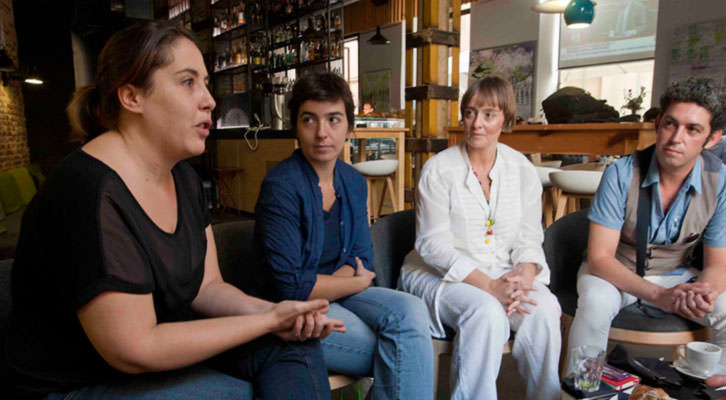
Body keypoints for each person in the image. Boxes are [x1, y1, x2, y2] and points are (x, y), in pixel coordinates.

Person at [3, 21, 344, 399]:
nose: (209, 100)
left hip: (161, 352)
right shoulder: (87, 191)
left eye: (206, 83)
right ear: (132, 97)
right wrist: (265, 321)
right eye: (187, 82)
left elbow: (207, 288)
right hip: (77, 384)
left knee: (293, 345)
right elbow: (136, 349)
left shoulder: (181, 176)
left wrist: (278, 315)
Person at [254, 72, 434, 400]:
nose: (322, 133)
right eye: (309, 120)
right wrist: (355, 282)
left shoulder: (353, 181)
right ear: (296, 126)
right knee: (399, 347)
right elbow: (291, 286)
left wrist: (345, 282)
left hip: (338, 294)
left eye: (334, 120)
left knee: (411, 311)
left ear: (348, 127)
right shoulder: (281, 186)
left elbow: (362, 257)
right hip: (291, 309)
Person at [398, 76, 562, 400]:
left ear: (506, 119)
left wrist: (525, 275)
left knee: (544, 308)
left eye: (489, 114)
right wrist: (490, 286)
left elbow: (530, 237)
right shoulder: (438, 169)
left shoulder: (522, 170)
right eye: (470, 113)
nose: (476, 124)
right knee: (485, 311)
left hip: (502, 271)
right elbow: (432, 245)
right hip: (436, 276)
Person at [566, 78, 726, 369]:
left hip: (678, 274)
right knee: (595, 305)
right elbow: (600, 258)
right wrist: (659, 296)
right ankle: (582, 387)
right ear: (657, 125)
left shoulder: (720, 180)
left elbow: (718, 263)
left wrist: (705, 291)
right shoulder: (621, 172)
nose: (676, 137)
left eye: (693, 130)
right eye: (670, 124)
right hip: (616, 271)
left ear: (712, 139)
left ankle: (714, 387)